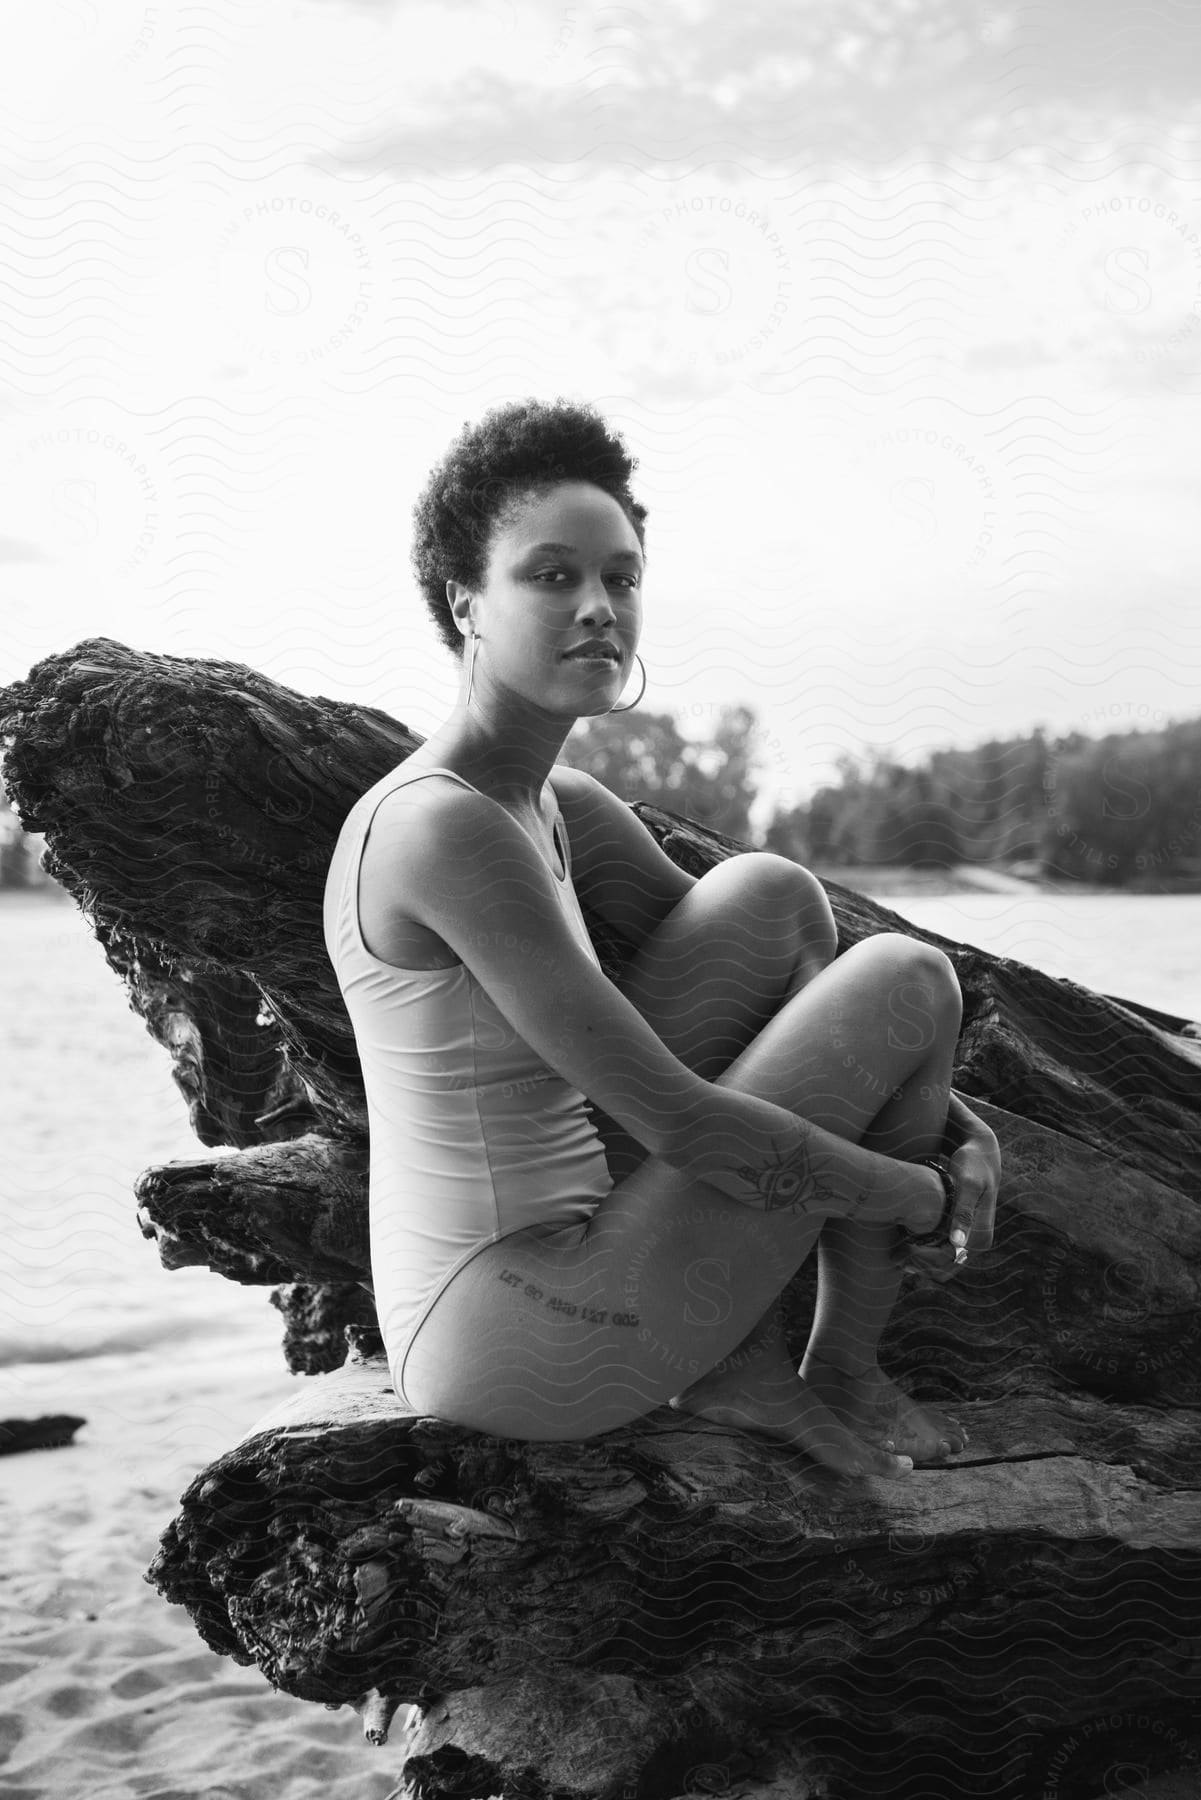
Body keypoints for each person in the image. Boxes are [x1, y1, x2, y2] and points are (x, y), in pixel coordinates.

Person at [323, 397, 1002, 1481]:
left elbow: (792, 981)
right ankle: (822, 1369)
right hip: (510, 1337)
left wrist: (962, 1124)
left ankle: (803, 1367)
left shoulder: (552, 802)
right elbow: (682, 1121)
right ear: (466, 604)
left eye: (620, 577)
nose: (598, 607)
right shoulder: (443, 826)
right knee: (910, 972)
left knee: (774, 899)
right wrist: (914, 1192)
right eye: (551, 576)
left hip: (591, 1256)